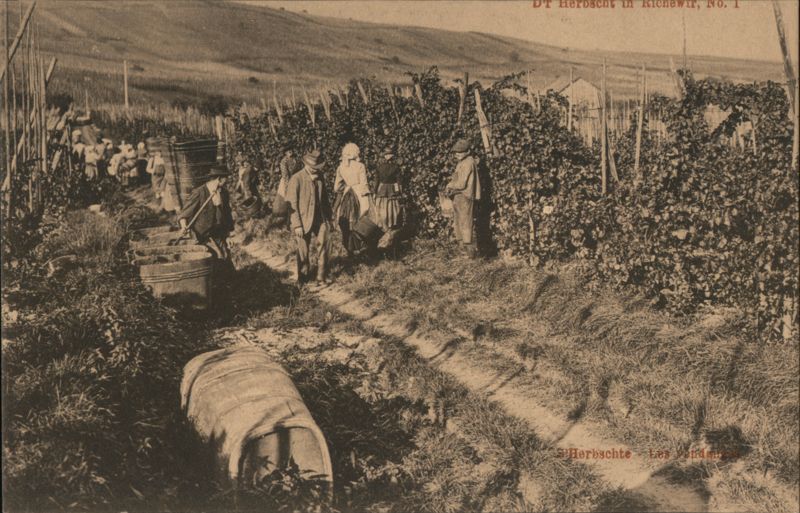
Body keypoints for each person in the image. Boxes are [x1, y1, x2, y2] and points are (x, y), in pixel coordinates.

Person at [285, 149, 333, 285]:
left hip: (319, 218)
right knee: (303, 250)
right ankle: (303, 279)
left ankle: (322, 276)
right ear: (306, 164)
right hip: (302, 219)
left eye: (317, 168)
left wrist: (329, 219)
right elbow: (291, 204)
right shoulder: (296, 179)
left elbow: (325, 200)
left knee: (325, 243)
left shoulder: (320, 177)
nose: (315, 170)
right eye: (313, 168)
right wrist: (297, 225)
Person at [178, 165, 234, 261]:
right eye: (226, 178)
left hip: (218, 232)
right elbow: (184, 213)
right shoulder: (199, 192)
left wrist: (228, 236)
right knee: (209, 259)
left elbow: (227, 215)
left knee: (225, 258)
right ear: (219, 179)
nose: (227, 181)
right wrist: (184, 227)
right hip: (202, 235)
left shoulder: (224, 193)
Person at [444, 139, 481, 258]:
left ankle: (470, 254)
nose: (457, 154)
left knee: (465, 223)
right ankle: (463, 251)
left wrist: (449, 185)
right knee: (458, 223)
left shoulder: (468, 163)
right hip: (458, 196)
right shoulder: (462, 162)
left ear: (468, 152)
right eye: (456, 152)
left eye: (460, 152)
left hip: (464, 196)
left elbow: (461, 184)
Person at [333, 142, 370, 255]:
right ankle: (361, 245)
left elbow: (337, 187)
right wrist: (366, 195)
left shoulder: (341, 167)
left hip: (347, 193)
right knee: (362, 217)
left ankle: (348, 247)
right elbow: (364, 183)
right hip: (358, 192)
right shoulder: (360, 166)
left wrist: (345, 188)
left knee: (345, 218)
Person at [373, 145, 403, 232]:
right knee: (392, 209)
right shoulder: (396, 167)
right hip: (392, 190)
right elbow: (399, 182)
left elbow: (376, 181)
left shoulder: (379, 167)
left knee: (382, 208)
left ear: (384, 156)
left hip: (381, 190)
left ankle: (383, 226)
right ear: (392, 157)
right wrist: (400, 192)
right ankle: (391, 227)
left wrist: (375, 192)